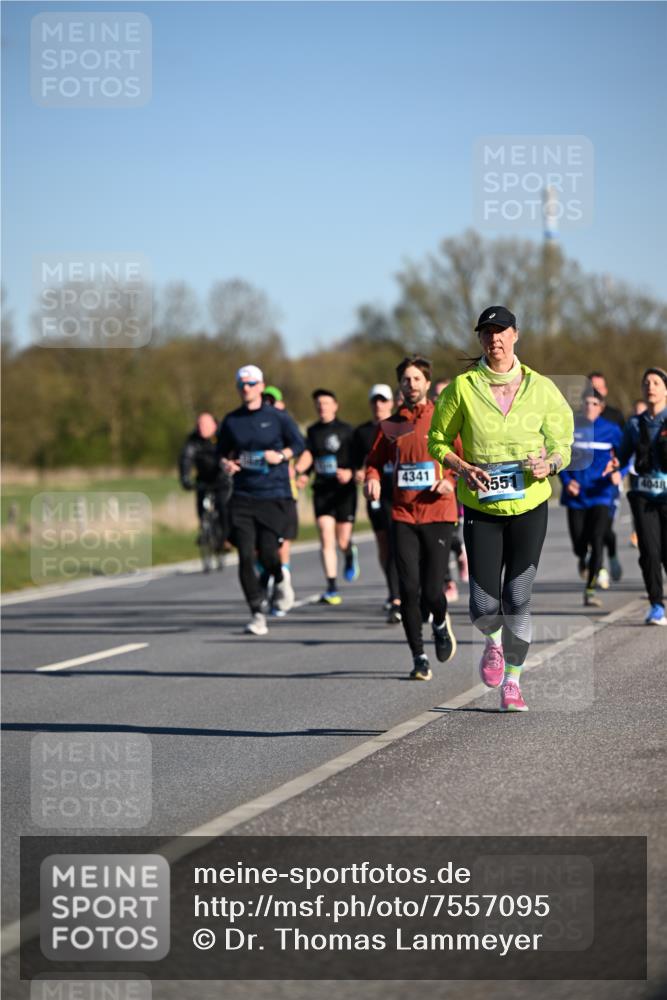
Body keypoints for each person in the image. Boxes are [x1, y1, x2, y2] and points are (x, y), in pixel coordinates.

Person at [429, 305, 574, 712]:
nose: (494, 338)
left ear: (515, 335)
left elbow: (563, 441)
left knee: (517, 596)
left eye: (501, 331)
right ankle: (492, 643)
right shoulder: (462, 388)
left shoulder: (542, 387)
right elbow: (437, 440)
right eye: (486, 332)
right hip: (481, 504)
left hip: (529, 503)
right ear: (480, 340)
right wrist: (459, 466)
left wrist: (552, 463)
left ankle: (513, 681)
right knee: (482, 604)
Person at [365, 357, 459, 680]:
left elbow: (464, 459)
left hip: (438, 512)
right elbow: (374, 462)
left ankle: (440, 623)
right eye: (406, 380)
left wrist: (452, 480)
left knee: (433, 591)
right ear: (399, 386)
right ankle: (419, 657)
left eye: (417, 379)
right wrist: (372, 478)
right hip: (403, 514)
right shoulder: (392, 425)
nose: (411, 385)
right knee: (408, 588)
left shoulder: (443, 418)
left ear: (427, 383)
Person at [217, 365, 305, 635]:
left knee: (268, 552)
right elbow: (221, 452)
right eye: (242, 384)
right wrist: (226, 464)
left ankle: (279, 578)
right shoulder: (231, 420)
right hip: (243, 496)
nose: (246, 388)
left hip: (272, 494)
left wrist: (280, 456)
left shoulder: (277, 417)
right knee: (245, 556)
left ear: (261, 386)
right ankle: (257, 612)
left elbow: (299, 444)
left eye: (251, 383)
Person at [605, 367, 667, 625]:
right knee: (649, 552)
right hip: (642, 495)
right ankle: (656, 605)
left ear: (665, 389)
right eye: (646, 383)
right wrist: (616, 464)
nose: (650, 387)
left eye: (655, 382)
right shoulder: (633, 424)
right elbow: (623, 453)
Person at [559, 388, 625, 608]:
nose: (589, 407)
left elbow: (627, 456)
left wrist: (619, 473)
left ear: (602, 407)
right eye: (586, 403)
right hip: (576, 497)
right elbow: (558, 457)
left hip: (601, 494)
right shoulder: (571, 427)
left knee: (597, 541)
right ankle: (583, 557)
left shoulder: (612, 430)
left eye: (594, 404)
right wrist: (568, 482)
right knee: (579, 545)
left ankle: (590, 590)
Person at [295, 388, 359, 605]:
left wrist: (350, 472)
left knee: (342, 540)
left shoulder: (347, 431)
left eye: (326, 403)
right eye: (318, 404)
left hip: (344, 492)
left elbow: (357, 460)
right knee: (325, 534)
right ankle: (331, 586)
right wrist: (302, 474)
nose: (322, 407)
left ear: (335, 405)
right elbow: (309, 456)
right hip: (322, 489)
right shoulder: (312, 432)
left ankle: (349, 553)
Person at [353, 384, 401, 622]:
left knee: (399, 544)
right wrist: (360, 473)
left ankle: (400, 595)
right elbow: (355, 461)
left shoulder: (400, 426)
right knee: (385, 546)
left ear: (391, 402)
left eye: (383, 400)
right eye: (375, 401)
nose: (379, 405)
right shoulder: (362, 432)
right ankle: (394, 592)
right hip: (376, 497)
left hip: (399, 495)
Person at [261, 385, 299, 610]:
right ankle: (269, 580)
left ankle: (283, 586)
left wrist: (299, 470)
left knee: (282, 543)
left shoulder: (286, 424)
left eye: (272, 400)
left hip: (285, 494)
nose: (269, 404)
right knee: (262, 547)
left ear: (281, 403)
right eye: (265, 400)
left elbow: (304, 450)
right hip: (257, 496)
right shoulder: (256, 426)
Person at [179, 412, 232, 558]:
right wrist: (185, 478)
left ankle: (226, 538)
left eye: (205, 425)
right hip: (203, 479)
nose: (202, 428)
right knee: (201, 505)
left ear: (214, 425)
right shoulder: (193, 440)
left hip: (222, 478)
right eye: (199, 425)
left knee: (223, 506)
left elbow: (231, 455)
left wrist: (229, 471)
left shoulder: (223, 436)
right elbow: (186, 459)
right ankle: (204, 528)